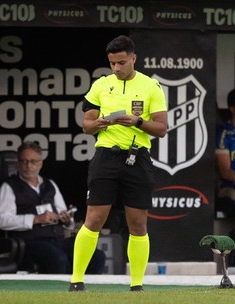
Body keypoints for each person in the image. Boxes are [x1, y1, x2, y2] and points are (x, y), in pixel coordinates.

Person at [69, 35, 168, 292]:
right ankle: (76, 280)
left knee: (137, 222)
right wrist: (99, 124)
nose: (116, 68)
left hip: (138, 157)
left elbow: (161, 128)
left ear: (133, 58)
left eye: (121, 62)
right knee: (94, 219)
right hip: (105, 157)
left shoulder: (151, 86)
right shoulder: (101, 85)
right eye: (112, 63)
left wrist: (136, 122)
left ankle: (137, 285)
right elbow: (86, 124)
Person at [0, 141, 106, 274]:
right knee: (58, 258)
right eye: (24, 161)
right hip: (29, 242)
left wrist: (66, 220)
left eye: (33, 161)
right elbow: (3, 220)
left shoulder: (50, 184)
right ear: (18, 163)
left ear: (40, 163)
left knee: (96, 256)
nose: (28, 165)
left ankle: (83, 292)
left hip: (56, 240)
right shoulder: (9, 187)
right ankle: (56, 294)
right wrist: (36, 219)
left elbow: (65, 217)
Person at [216, 86, 235, 265]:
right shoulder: (225, 133)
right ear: (232, 108)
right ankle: (234, 251)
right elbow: (225, 171)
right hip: (230, 187)